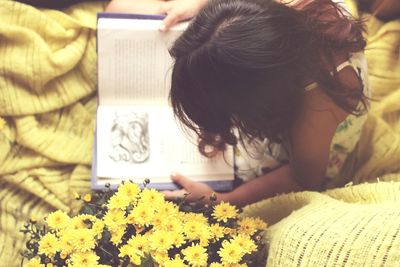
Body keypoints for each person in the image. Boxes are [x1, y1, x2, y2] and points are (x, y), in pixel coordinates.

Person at [106, 0, 371, 207]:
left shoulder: (322, 98)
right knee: (120, 8)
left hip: (305, 149)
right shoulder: (266, 22)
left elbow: (304, 177)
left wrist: (221, 200)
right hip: (255, 56)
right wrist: (202, 7)